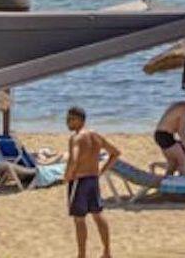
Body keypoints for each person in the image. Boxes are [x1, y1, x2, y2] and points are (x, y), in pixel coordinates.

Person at [63, 106, 120, 258]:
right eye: (67, 119)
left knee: (79, 219)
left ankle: (82, 255)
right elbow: (115, 153)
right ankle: (107, 252)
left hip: (79, 181)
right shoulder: (95, 135)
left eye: (71, 119)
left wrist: (67, 175)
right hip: (93, 180)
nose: (67, 122)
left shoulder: (76, 138)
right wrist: (101, 171)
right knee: (98, 215)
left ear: (81, 120)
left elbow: (74, 159)